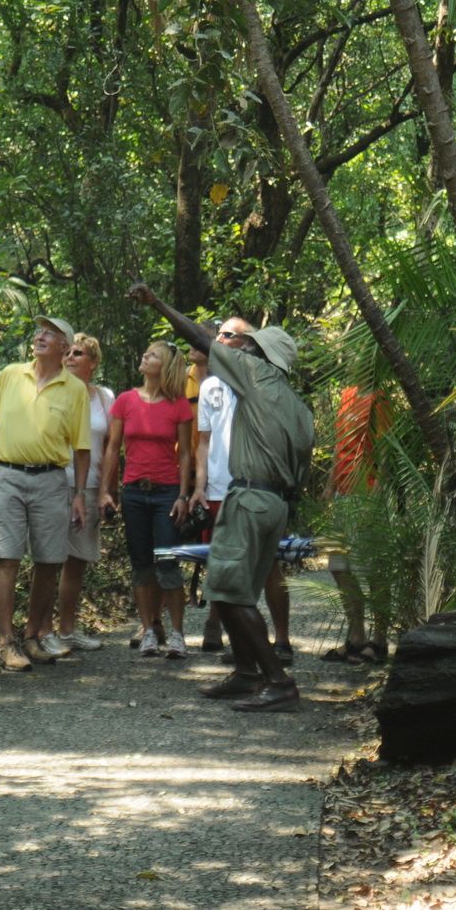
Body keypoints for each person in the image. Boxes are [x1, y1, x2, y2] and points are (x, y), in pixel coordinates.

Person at [129, 281, 312, 712]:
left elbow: (201, 340)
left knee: (228, 592)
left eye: (248, 345)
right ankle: (248, 672)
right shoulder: (298, 406)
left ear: (261, 355)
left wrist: (158, 302)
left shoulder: (256, 374)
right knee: (233, 590)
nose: (239, 350)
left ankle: (277, 681)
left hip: (249, 499)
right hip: (276, 503)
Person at [0, 316, 91, 671]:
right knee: (6, 557)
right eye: (40, 331)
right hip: (7, 475)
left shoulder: (75, 390)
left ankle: (32, 636)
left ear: (65, 347)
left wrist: (80, 494)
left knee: (49, 561)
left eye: (51, 334)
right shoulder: (10, 375)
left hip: (52, 480)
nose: (41, 336)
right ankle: (6, 641)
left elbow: (82, 448)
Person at [192, 315, 296, 662]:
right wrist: (198, 486)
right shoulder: (211, 386)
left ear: (251, 347)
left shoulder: (256, 383)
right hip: (229, 489)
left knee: (257, 572)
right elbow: (203, 442)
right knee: (225, 572)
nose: (218, 339)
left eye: (229, 335)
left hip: (253, 490)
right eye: (217, 334)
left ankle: (275, 655)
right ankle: (241, 658)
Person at [99, 339, 195, 659]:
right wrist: (106, 491)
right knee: (141, 564)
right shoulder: (125, 400)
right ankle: (150, 630)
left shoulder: (178, 405)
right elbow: (113, 448)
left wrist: (183, 494)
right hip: (135, 492)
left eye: (152, 354)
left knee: (167, 563)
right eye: (146, 351)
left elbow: (186, 455)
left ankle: (178, 634)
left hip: (167, 492)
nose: (145, 355)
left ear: (164, 366)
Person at [322, 384, 393, 664]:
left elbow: (386, 453)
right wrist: (329, 485)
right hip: (342, 493)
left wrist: (374, 501)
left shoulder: (380, 398)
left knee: (373, 569)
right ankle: (356, 637)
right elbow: (340, 445)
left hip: (367, 492)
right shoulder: (347, 393)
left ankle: (380, 640)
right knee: (339, 567)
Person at [55, 333, 114, 652]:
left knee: (76, 560)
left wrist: (107, 492)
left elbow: (110, 448)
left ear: (93, 362)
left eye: (78, 353)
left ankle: (67, 630)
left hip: (89, 487)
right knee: (47, 558)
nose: (70, 357)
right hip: (53, 483)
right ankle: (38, 632)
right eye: (67, 353)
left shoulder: (105, 397)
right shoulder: (53, 391)